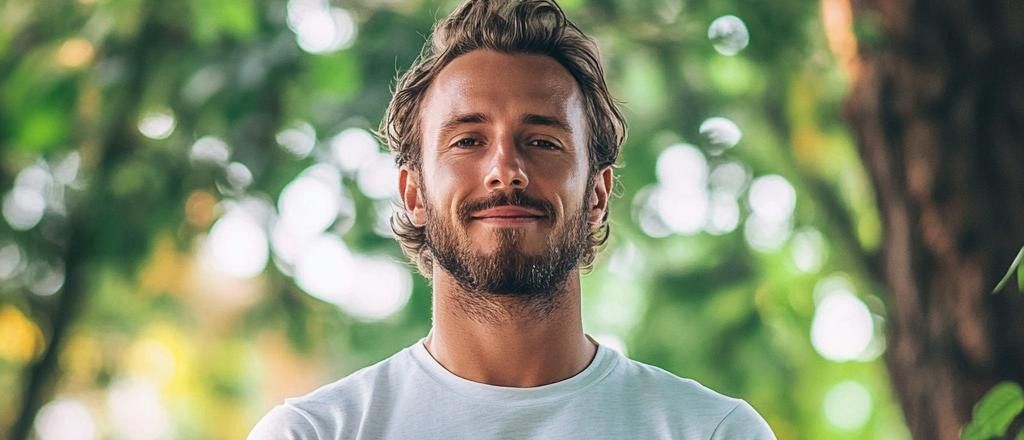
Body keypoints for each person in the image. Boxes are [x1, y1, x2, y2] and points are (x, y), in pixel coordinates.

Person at [249, 1, 776, 438]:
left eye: (543, 141)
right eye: (468, 141)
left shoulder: (713, 432)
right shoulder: (313, 433)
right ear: (413, 193)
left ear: (597, 193)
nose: (506, 171)